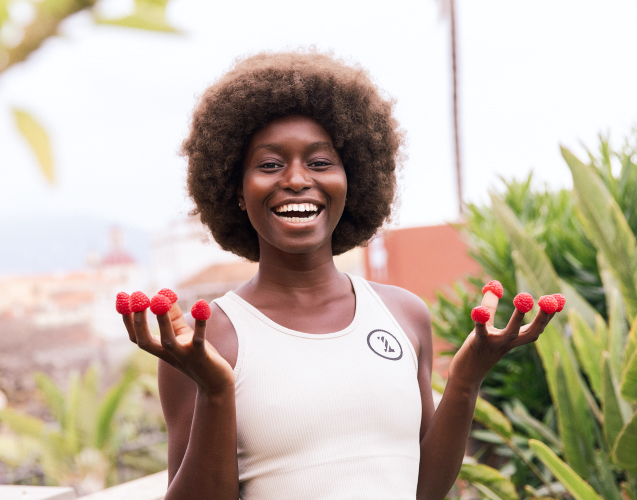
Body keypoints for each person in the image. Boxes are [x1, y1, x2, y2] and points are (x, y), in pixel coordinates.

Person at [121, 51, 557, 500]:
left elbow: (422, 489)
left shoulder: (404, 315)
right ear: (235, 188)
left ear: (353, 179)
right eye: (269, 164)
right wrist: (216, 390)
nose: (295, 179)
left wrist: (466, 379)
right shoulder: (208, 339)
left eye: (320, 162)